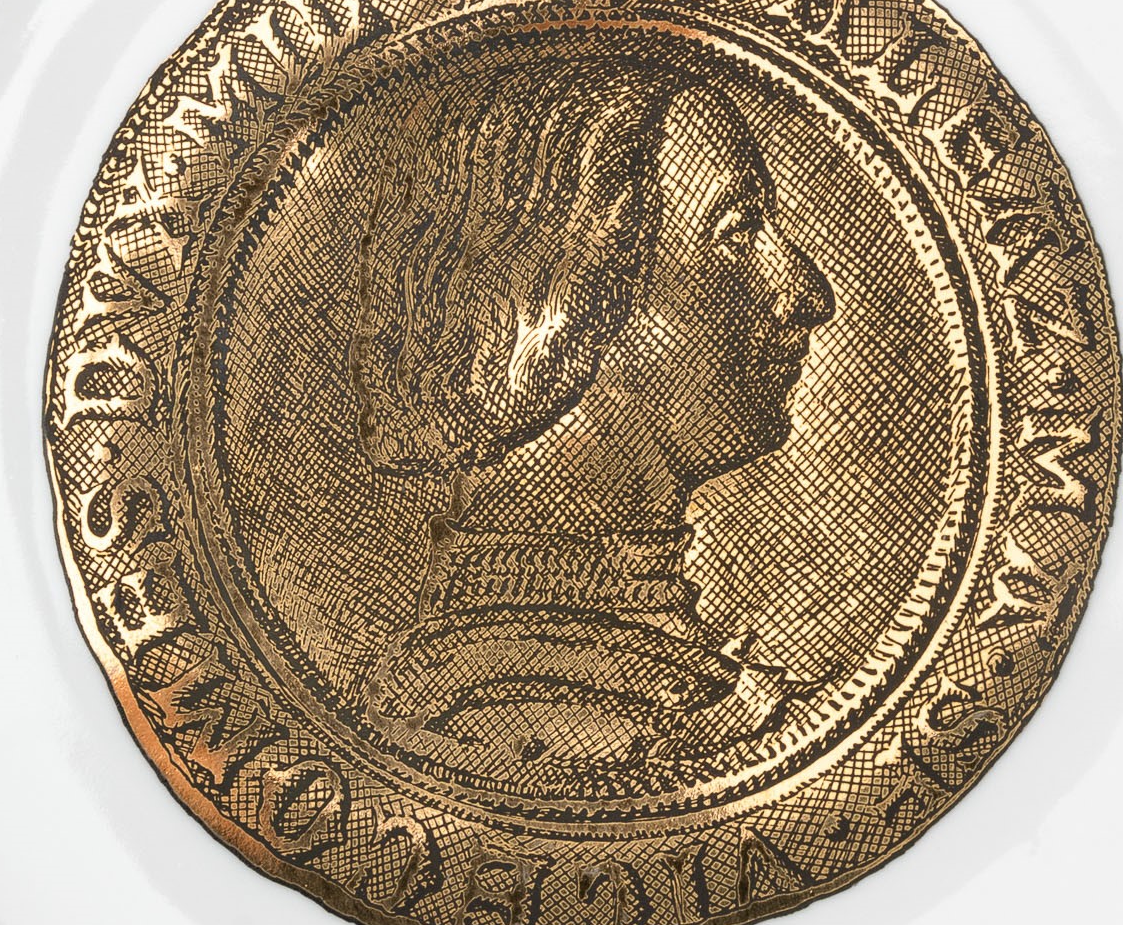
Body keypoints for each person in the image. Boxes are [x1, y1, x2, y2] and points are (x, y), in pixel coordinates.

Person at [351, 48, 833, 777]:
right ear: (570, 293)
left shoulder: (659, 682)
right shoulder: (521, 719)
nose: (808, 293)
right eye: (738, 230)